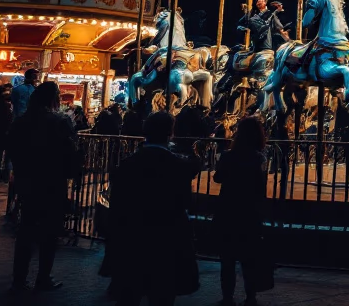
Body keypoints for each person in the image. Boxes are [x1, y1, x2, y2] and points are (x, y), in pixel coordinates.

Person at [106, 111, 201, 305]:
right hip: (165, 238)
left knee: (129, 293)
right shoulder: (178, 166)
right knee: (162, 294)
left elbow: (116, 203)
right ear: (170, 133)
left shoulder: (127, 164)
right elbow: (185, 201)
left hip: (132, 236)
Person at [6, 81, 79, 291]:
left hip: (27, 182)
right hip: (52, 182)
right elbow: (70, 153)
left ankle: (19, 280)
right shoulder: (60, 121)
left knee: (26, 230)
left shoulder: (21, 121)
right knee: (49, 233)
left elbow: (12, 149)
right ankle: (43, 277)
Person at [213, 116, 271, 305]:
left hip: (228, 210)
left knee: (227, 260)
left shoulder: (228, 155)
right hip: (249, 212)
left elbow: (218, 178)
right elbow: (260, 188)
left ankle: (227, 297)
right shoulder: (258, 158)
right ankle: (250, 296)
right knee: (249, 259)